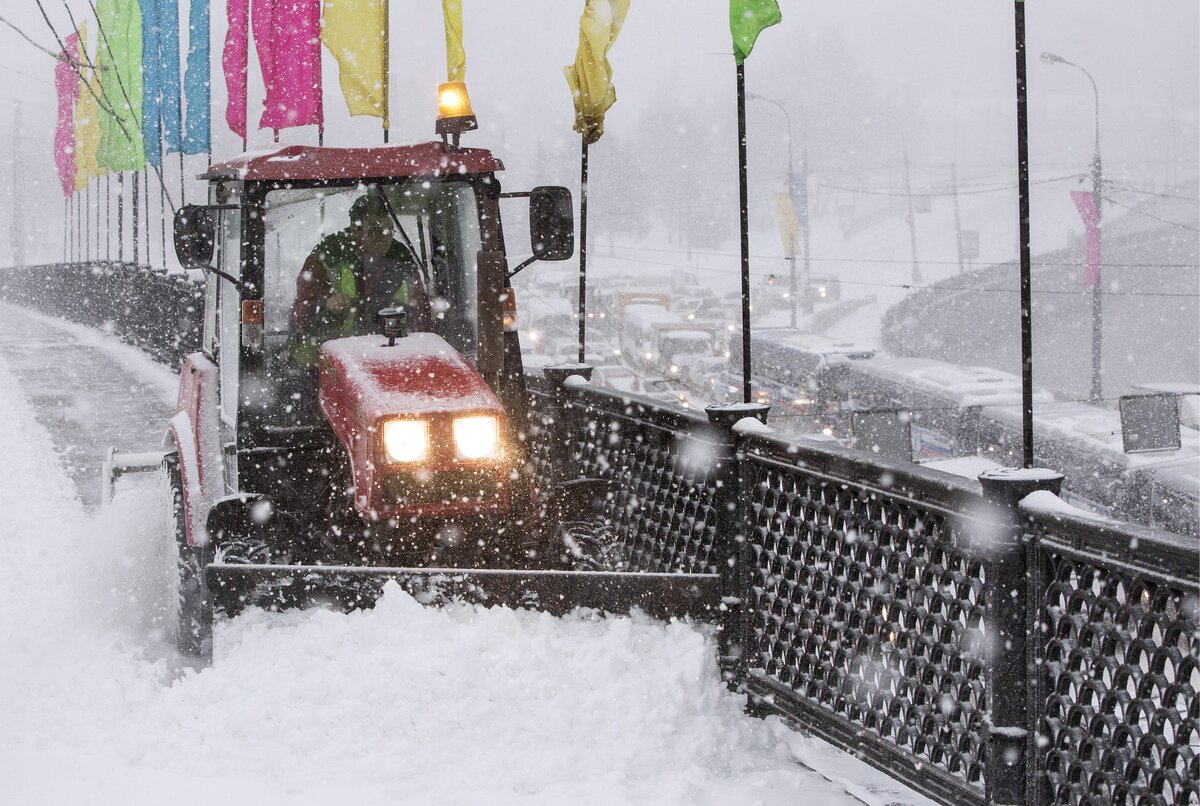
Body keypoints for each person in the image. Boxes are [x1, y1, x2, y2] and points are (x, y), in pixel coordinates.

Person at [289, 193, 432, 367]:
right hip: (327, 362)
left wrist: (405, 314)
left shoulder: (402, 259)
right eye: (373, 230)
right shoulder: (325, 258)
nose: (383, 236)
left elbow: (423, 316)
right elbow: (300, 314)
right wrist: (326, 305)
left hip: (391, 357)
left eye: (388, 230)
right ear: (355, 230)